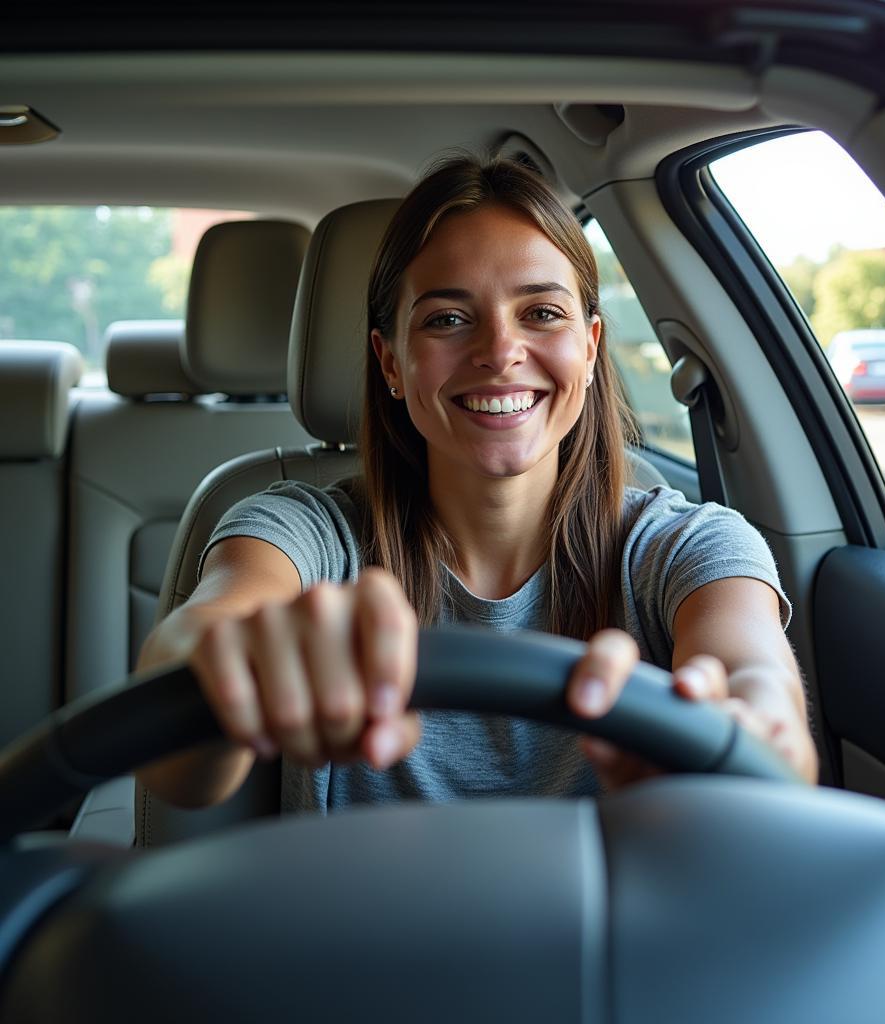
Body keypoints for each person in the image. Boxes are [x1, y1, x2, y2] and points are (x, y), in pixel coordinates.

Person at [137, 155, 817, 812]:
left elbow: (758, 685)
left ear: (589, 344)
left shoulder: (688, 545)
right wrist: (229, 664)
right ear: (392, 363)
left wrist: (744, 732)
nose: (498, 351)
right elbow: (195, 656)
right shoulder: (301, 531)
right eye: (447, 319)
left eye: (542, 313)